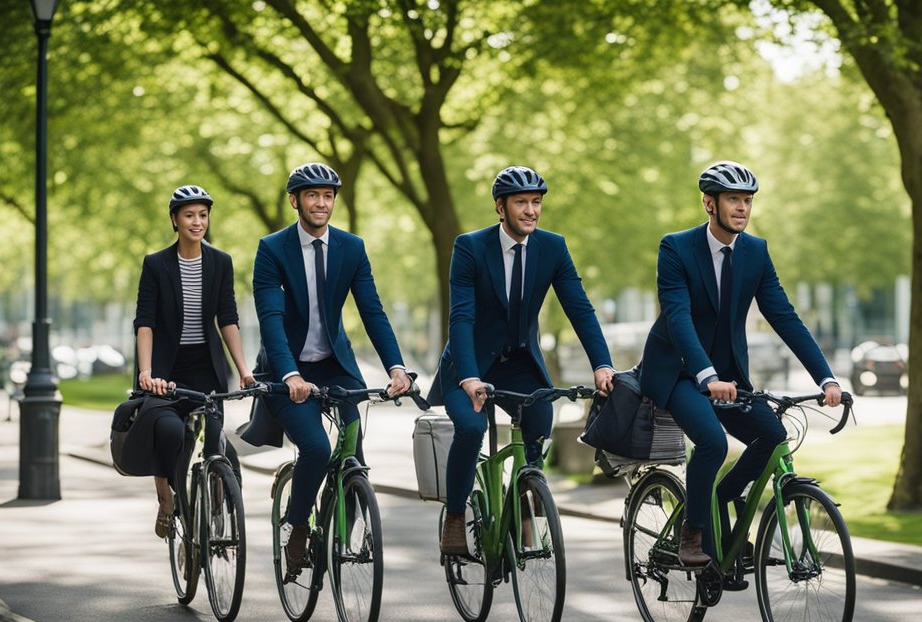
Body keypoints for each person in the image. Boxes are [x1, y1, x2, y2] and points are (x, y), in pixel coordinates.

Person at [638, 161, 842, 567]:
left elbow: (783, 316)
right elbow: (677, 317)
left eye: (747, 200)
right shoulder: (676, 248)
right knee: (712, 442)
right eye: (733, 199)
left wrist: (826, 376)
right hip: (679, 371)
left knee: (772, 436)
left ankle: (718, 496)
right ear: (709, 204)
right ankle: (692, 534)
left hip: (729, 376)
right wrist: (706, 374)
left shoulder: (756, 252)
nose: (743, 208)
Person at [431, 165, 614, 557]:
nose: (531, 210)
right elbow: (460, 318)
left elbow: (579, 310)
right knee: (469, 428)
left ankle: (524, 503)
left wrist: (602, 364)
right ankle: (456, 516)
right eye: (521, 203)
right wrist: (467, 377)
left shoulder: (553, 247)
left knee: (539, 423)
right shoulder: (470, 247)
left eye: (536, 202)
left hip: (520, 365)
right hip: (470, 365)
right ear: (500, 207)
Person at [247, 162, 412, 574]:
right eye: (312, 195)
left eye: (328, 196)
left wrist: (396, 367)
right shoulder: (272, 249)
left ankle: (345, 527)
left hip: (335, 368)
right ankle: (297, 524)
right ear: (295, 201)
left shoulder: (351, 248)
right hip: (287, 373)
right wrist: (290, 375)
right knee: (318, 448)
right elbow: (270, 319)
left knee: (353, 453)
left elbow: (372, 311)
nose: (321, 203)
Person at [130, 185, 255, 539]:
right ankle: (166, 499)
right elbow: (145, 322)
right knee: (169, 433)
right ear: (175, 220)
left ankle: (214, 513)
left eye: (203, 215)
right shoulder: (156, 264)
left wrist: (244, 370)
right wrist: (146, 372)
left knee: (215, 440)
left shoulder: (220, 262)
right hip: (166, 369)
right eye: (189, 215)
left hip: (207, 367)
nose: (197, 222)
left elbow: (227, 319)